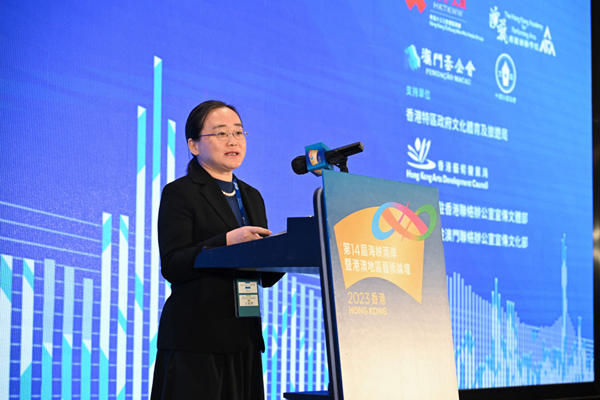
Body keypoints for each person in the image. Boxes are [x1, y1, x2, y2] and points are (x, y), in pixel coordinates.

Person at [150, 100, 283, 400]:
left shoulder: (252, 196)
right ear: (194, 145)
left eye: (238, 132)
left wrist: (288, 252)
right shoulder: (180, 193)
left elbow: (263, 275)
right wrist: (225, 241)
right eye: (221, 133)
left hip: (245, 339)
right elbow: (173, 264)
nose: (233, 141)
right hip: (196, 341)